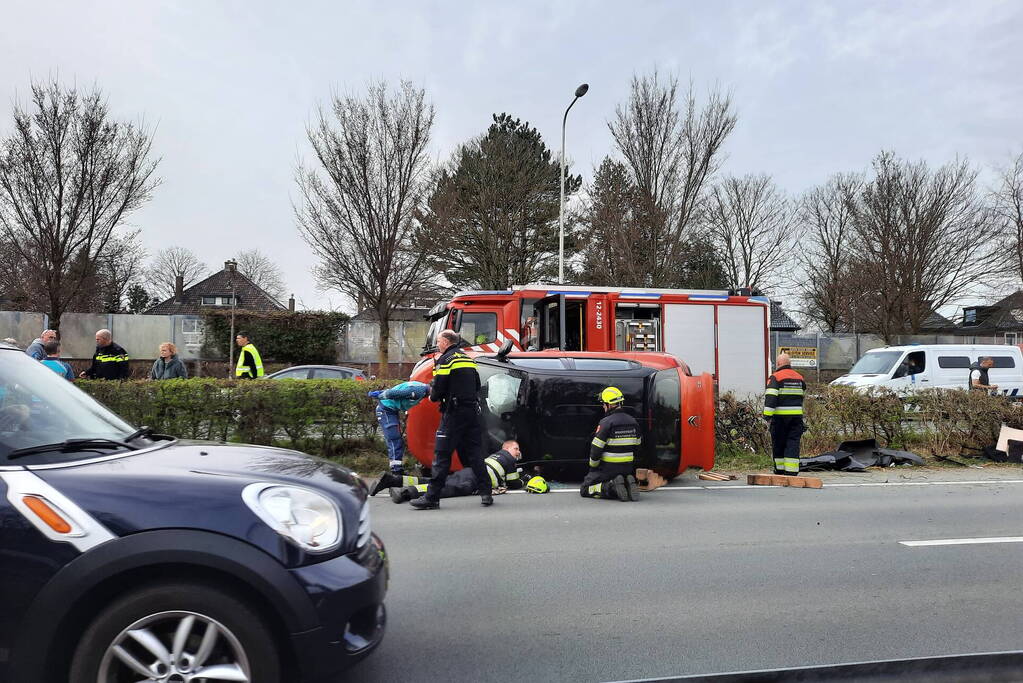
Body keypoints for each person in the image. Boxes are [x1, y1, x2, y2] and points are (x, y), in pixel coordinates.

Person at [409, 329, 492, 510]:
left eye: (439, 341)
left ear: (446, 342)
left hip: (453, 414)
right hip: (472, 413)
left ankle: (431, 498)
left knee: (441, 456)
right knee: (475, 454)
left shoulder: (445, 360)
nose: (438, 344)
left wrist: (432, 394)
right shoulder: (469, 360)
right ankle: (486, 493)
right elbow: (477, 385)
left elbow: (438, 390)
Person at [382, 440, 526, 502]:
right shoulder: (509, 459)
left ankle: (393, 480)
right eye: (516, 448)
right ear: (506, 448)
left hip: (468, 472)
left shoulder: (495, 456)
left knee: (438, 481)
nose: (518, 452)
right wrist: (524, 479)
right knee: (445, 488)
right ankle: (406, 492)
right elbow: (514, 483)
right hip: (474, 480)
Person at [580, 386, 641, 501]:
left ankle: (612, 487)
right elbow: (638, 447)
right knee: (620, 478)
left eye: (603, 404)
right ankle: (627, 483)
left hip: (608, 468)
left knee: (585, 489)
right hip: (627, 467)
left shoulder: (606, 422)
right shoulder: (633, 422)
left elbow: (596, 449)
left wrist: (593, 467)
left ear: (609, 405)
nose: (603, 407)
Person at [368, 380, 430, 477]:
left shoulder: (421, 387)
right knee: (394, 440)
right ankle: (396, 471)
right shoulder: (420, 391)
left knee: (396, 440)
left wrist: (381, 393)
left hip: (390, 410)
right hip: (386, 410)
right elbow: (395, 393)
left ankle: (397, 469)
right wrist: (380, 395)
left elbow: (398, 392)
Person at [763, 352, 806, 476]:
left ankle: (780, 470)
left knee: (779, 443)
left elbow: (771, 398)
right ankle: (792, 471)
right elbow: (802, 394)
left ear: (778, 364)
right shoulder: (799, 377)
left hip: (780, 418)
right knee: (793, 443)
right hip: (796, 418)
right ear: (789, 363)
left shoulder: (775, 377)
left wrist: (767, 416)